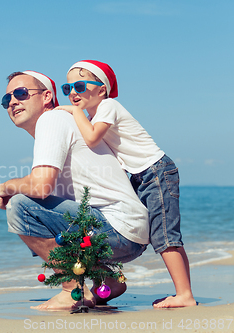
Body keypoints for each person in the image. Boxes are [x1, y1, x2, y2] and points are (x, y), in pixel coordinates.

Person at [0, 70, 149, 310]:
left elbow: (40, 186)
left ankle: (72, 290)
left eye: (21, 93)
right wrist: (16, 190)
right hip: (128, 232)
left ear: (47, 96)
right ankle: (107, 281)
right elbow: (47, 196)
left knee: (20, 207)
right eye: (6, 99)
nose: (12, 102)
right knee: (27, 203)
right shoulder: (60, 124)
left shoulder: (51, 121)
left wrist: (8, 187)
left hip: (117, 229)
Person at [55, 60, 196, 308]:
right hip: (140, 176)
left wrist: (73, 111)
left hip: (155, 171)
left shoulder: (108, 106)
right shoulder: (93, 115)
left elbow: (91, 138)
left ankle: (184, 294)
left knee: (165, 236)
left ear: (101, 89)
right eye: (67, 89)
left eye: (79, 85)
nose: (73, 93)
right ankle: (181, 291)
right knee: (159, 234)